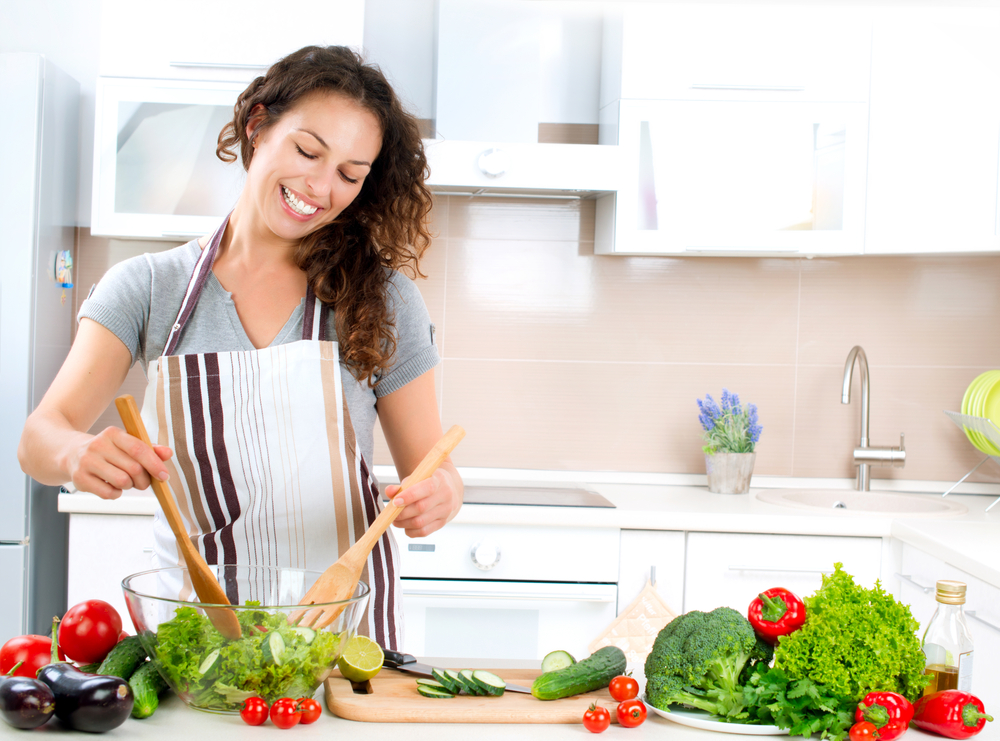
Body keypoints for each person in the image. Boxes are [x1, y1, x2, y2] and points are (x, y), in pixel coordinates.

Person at [17, 45, 463, 650]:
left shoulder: (384, 298)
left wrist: (441, 495)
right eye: (308, 151)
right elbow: (40, 436)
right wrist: (76, 454)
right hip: (199, 637)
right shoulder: (149, 287)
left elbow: (432, 470)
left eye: (349, 175)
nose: (320, 186)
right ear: (257, 126)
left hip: (340, 632)